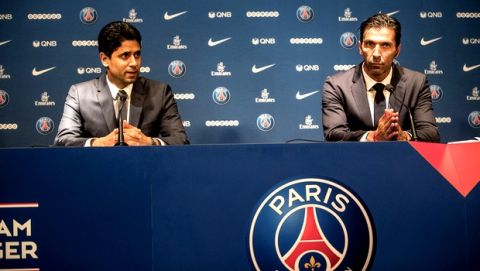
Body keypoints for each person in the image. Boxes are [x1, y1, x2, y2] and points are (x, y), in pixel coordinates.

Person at [54, 21, 189, 146]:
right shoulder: (79, 93)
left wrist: (150, 142)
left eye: (137, 55)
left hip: (143, 170)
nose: (134, 63)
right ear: (105, 59)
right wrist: (97, 143)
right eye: (125, 55)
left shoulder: (160, 92)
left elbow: (180, 139)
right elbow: (63, 139)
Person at [322, 13, 440, 142]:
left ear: (397, 50)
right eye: (370, 44)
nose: (376, 53)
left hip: (402, 159)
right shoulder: (337, 85)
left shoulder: (416, 83)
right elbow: (333, 134)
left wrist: (404, 136)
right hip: (355, 160)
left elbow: (431, 134)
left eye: (385, 45)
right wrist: (372, 137)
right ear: (360, 48)